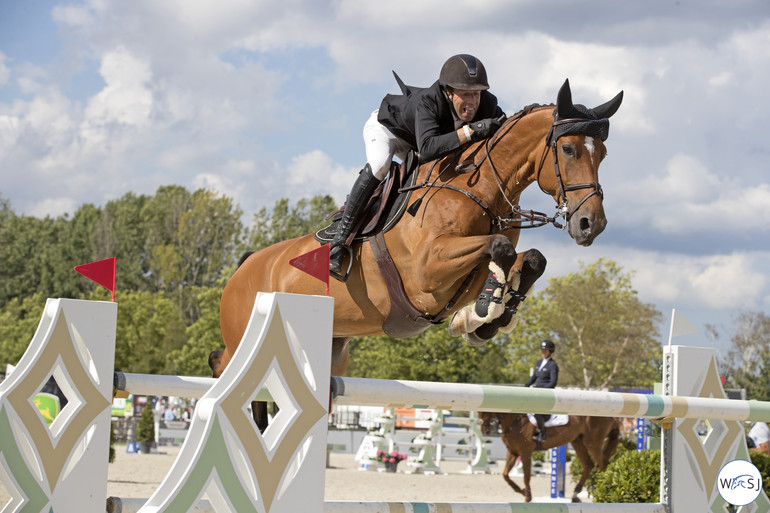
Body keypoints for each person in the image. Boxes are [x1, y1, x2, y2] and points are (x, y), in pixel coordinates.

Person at [329, 54, 507, 274]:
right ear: (448, 92)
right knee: (380, 165)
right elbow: (429, 148)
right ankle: (339, 241)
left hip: (421, 144)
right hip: (390, 131)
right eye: (465, 94)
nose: (472, 102)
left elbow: (505, 129)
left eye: (477, 94)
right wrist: (471, 131)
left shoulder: (488, 103)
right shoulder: (430, 100)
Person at [525, 339, 559, 442]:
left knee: (537, 412)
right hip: (537, 392)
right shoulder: (539, 362)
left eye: (545, 350)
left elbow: (553, 382)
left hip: (545, 393)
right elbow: (534, 377)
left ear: (550, 351)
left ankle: (542, 433)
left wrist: (541, 390)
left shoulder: (553, 365)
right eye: (542, 350)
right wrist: (526, 385)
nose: (543, 352)